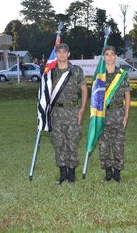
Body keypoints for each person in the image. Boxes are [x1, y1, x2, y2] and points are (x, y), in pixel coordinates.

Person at [48, 43, 88, 184]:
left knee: (72, 143)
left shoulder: (76, 71)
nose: (62, 54)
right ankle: (62, 173)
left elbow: (84, 90)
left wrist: (82, 109)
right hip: (56, 113)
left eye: (65, 52)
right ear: (56, 54)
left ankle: (72, 174)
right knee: (59, 143)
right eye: (59, 52)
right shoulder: (50, 72)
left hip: (72, 112)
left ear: (69, 54)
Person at [99, 46, 131, 183]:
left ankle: (117, 173)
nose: (110, 57)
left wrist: (126, 115)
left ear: (116, 56)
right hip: (102, 114)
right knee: (104, 146)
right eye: (107, 54)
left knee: (118, 145)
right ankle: (108, 173)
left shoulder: (122, 74)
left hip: (118, 112)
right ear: (103, 57)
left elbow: (127, 95)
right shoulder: (99, 75)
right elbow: (95, 97)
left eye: (112, 54)